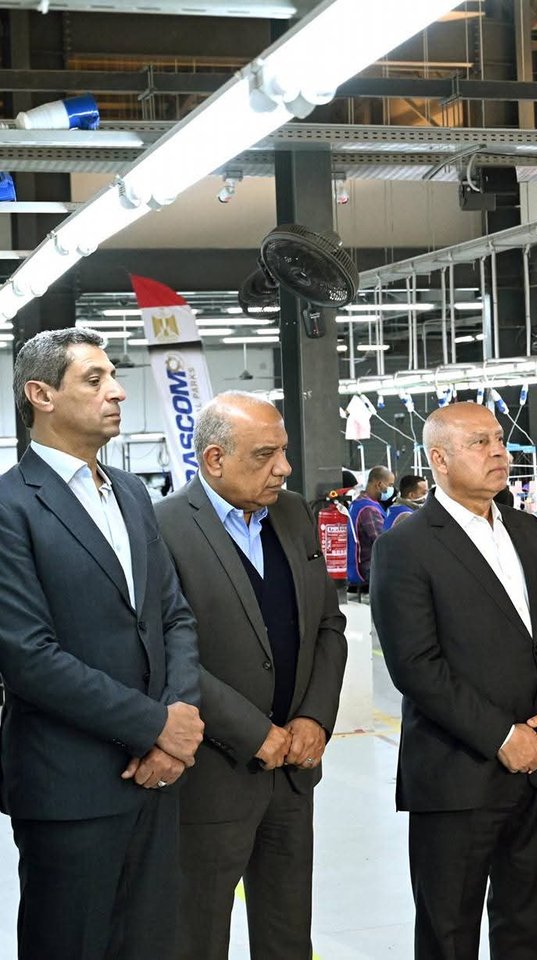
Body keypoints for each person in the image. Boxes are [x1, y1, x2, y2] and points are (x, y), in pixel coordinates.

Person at [0, 327, 202, 959]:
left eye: (114, 375)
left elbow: (173, 616)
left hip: (157, 781)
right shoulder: (10, 507)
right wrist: (156, 728)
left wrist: (179, 716)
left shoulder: (133, 492)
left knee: (149, 944)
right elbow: (28, 657)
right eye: (94, 379)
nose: (117, 391)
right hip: (70, 788)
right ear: (41, 395)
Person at [370, 402, 537, 960]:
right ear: (439, 460)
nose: (499, 453)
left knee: (531, 927)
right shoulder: (406, 546)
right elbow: (415, 665)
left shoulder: (529, 531)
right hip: (457, 773)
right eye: (479, 443)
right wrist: (502, 736)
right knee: (449, 932)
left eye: (499, 440)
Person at [154, 392, 349, 960]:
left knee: (288, 935)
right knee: (196, 936)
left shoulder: (292, 514)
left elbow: (328, 626)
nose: (283, 468)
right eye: (265, 455)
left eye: (283, 451)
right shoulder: (163, 527)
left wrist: (314, 717)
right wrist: (252, 733)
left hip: (293, 772)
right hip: (211, 776)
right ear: (214, 459)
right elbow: (168, 654)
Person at [346, 465, 392, 592]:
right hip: (369, 569)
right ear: (379, 484)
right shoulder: (369, 509)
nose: (392, 489)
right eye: (390, 485)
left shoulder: (357, 503)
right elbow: (383, 542)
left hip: (357, 567)